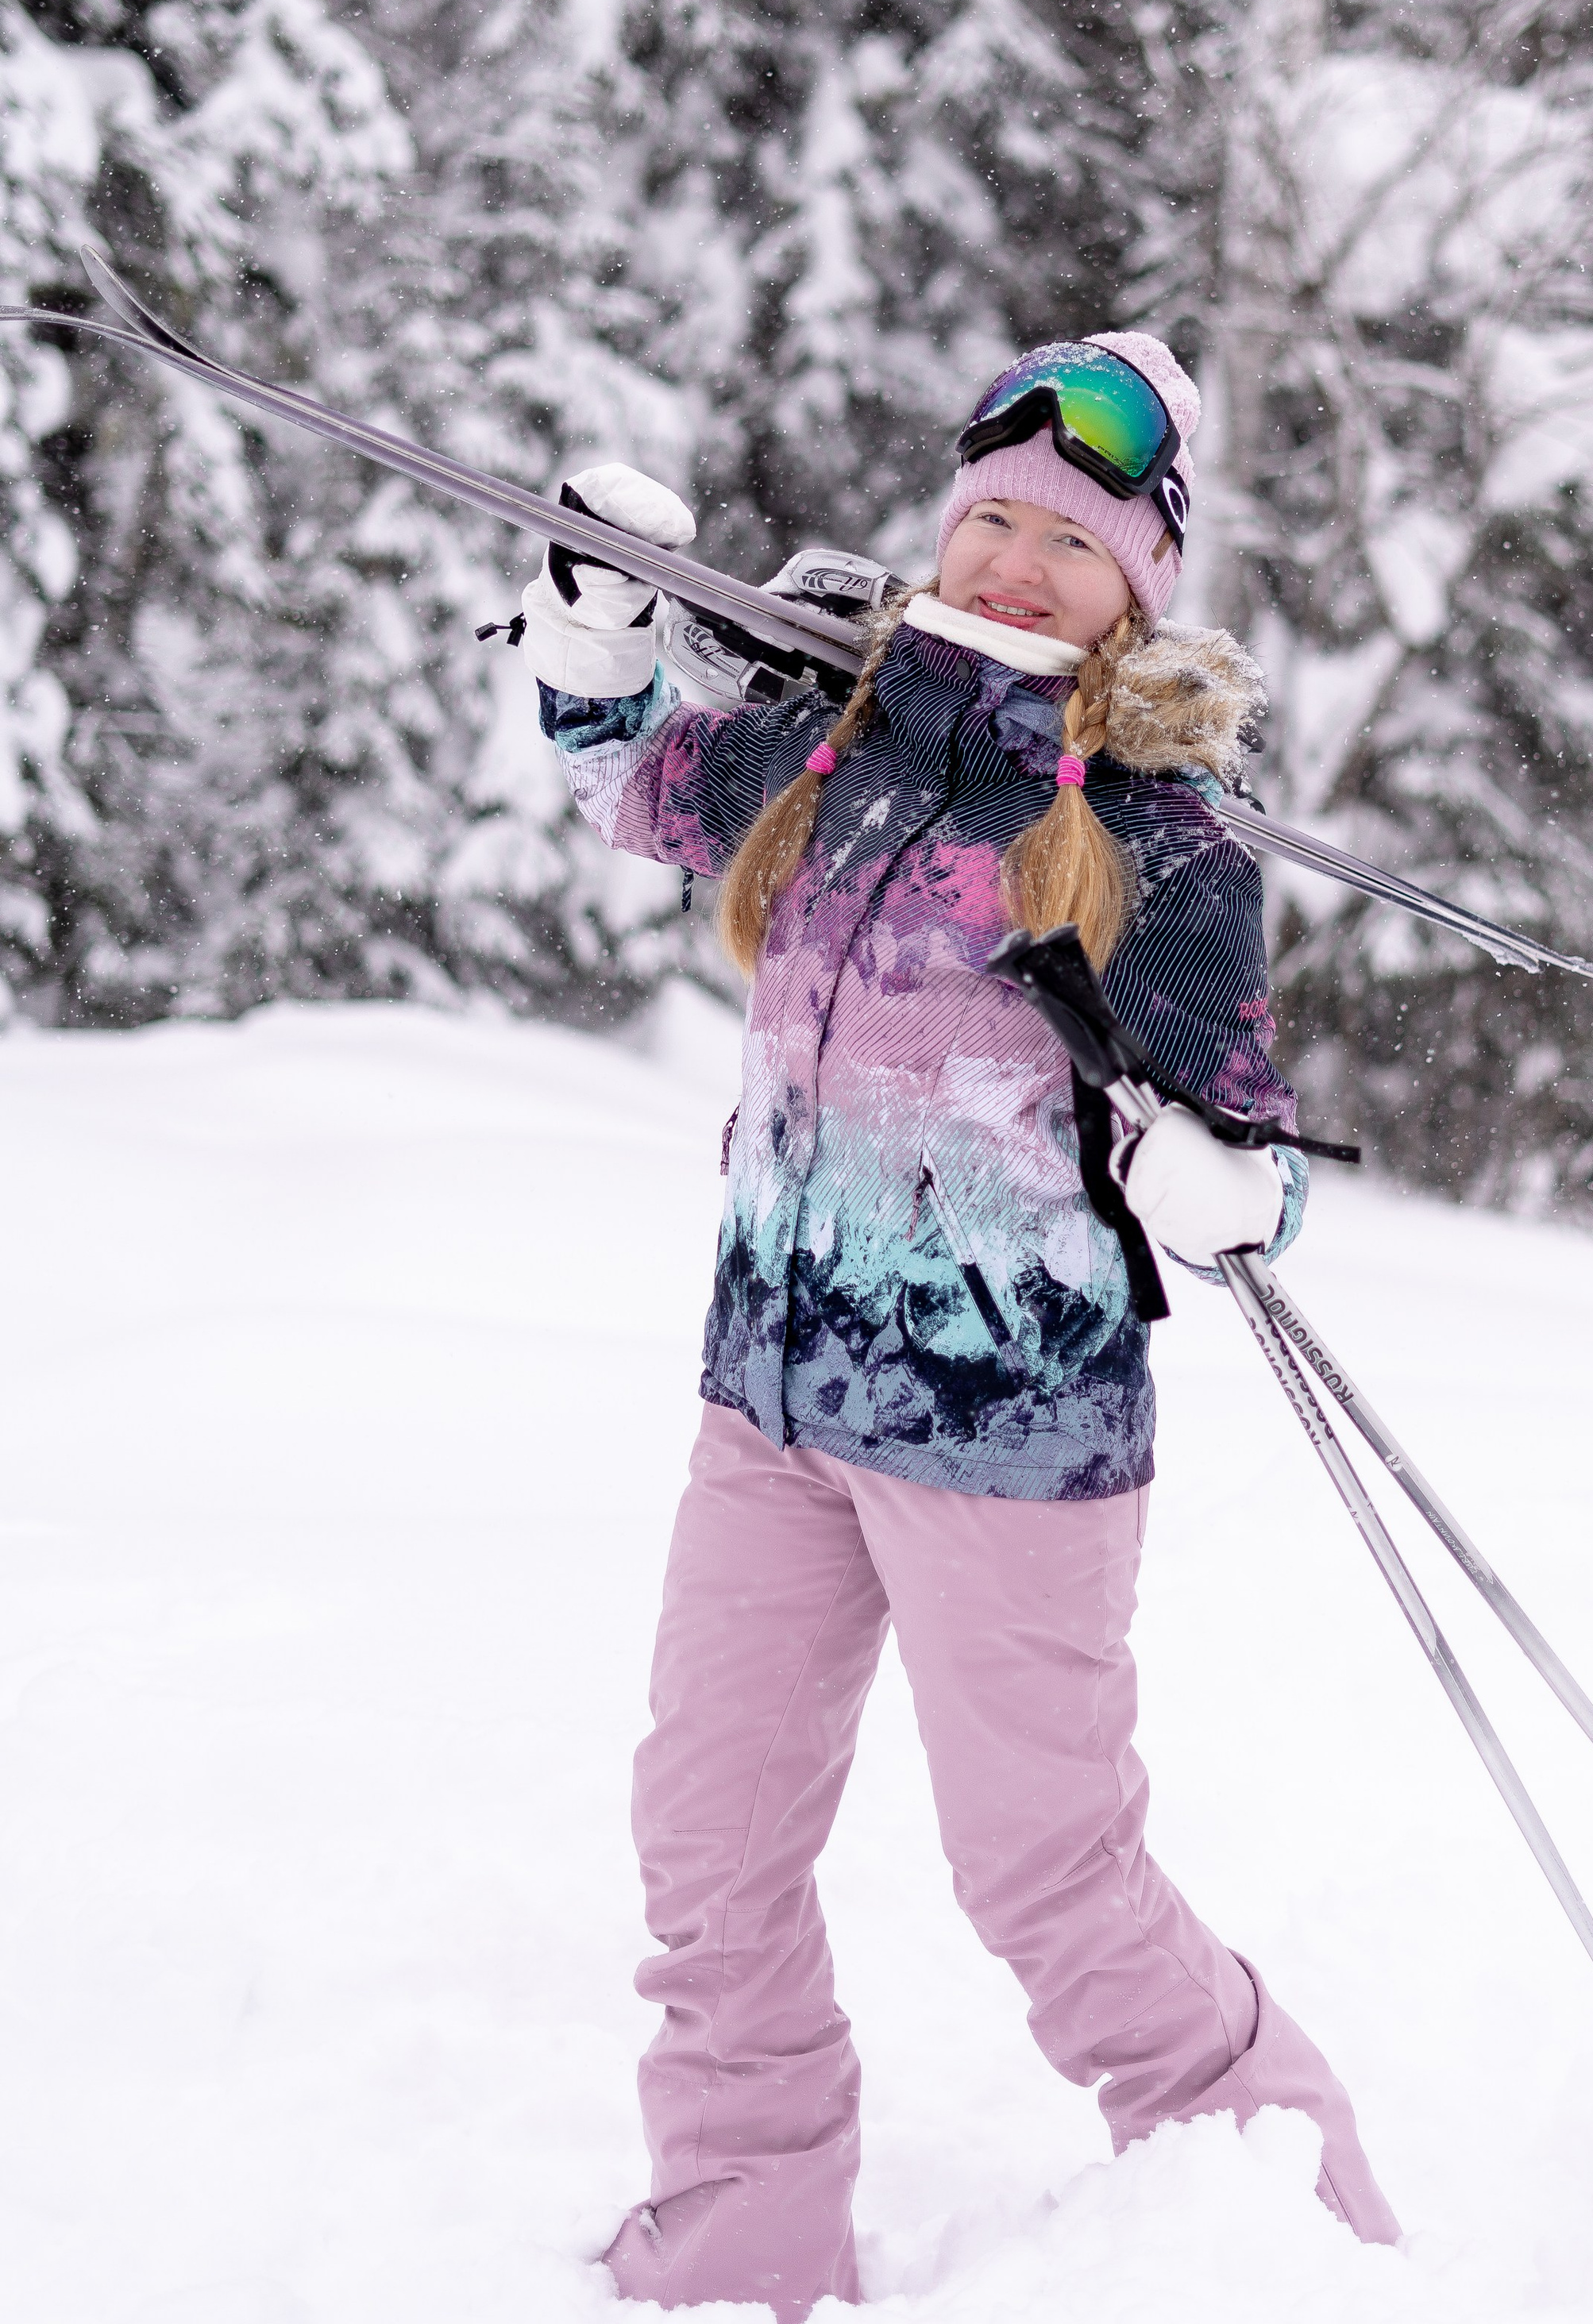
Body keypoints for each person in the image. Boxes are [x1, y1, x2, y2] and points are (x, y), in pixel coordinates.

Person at [516, 332, 1399, 2317]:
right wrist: (590, 637)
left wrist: (1229, 1186)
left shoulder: (1157, 840)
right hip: (772, 1402)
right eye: (991, 519)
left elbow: (1250, 1149)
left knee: (1046, 1883)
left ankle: (1296, 2231)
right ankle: (741, 2240)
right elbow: (630, 782)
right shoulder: (833, 748)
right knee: (709, 1848)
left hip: (1006, 1450)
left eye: (1069, 541)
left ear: (1138, 583)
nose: (1016, 561)